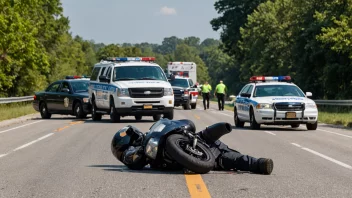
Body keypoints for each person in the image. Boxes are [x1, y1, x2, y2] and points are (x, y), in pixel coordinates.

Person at [111, 119, 274, 175]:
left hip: (201, 142)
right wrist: (135, 155)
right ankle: (260, 164)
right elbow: (134, 162)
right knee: (233, 160)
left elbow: (173, 123)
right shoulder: (134, 156)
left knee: (213, 139)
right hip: (206, 159)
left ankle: (260, 163)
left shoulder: (152, 132)